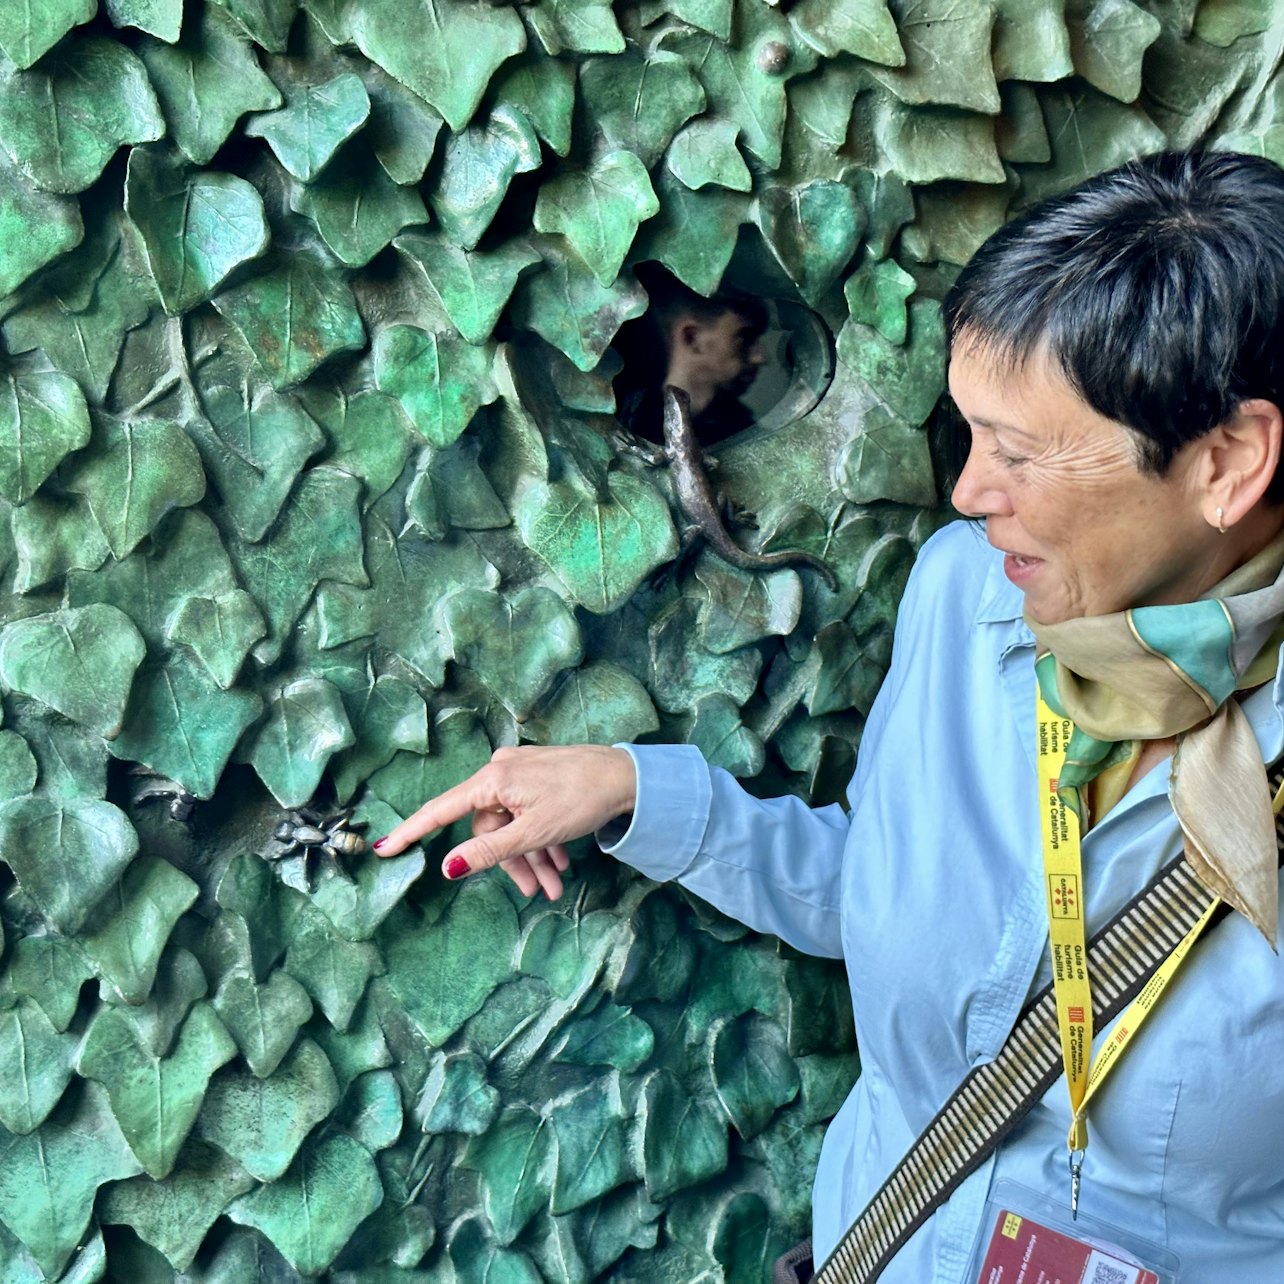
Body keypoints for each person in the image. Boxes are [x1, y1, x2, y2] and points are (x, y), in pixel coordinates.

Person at [373, 150, 1284, 1281]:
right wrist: (640, 793)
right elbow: (892, 892)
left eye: (1017, 451)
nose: (967, 493)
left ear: (1229, 462)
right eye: (969, 437)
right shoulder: (971, 591)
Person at [613, 267, 770, 448]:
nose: (760, 357)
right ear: (692, 337)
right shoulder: (623, 419)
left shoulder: (745, 432)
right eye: (744, 337)